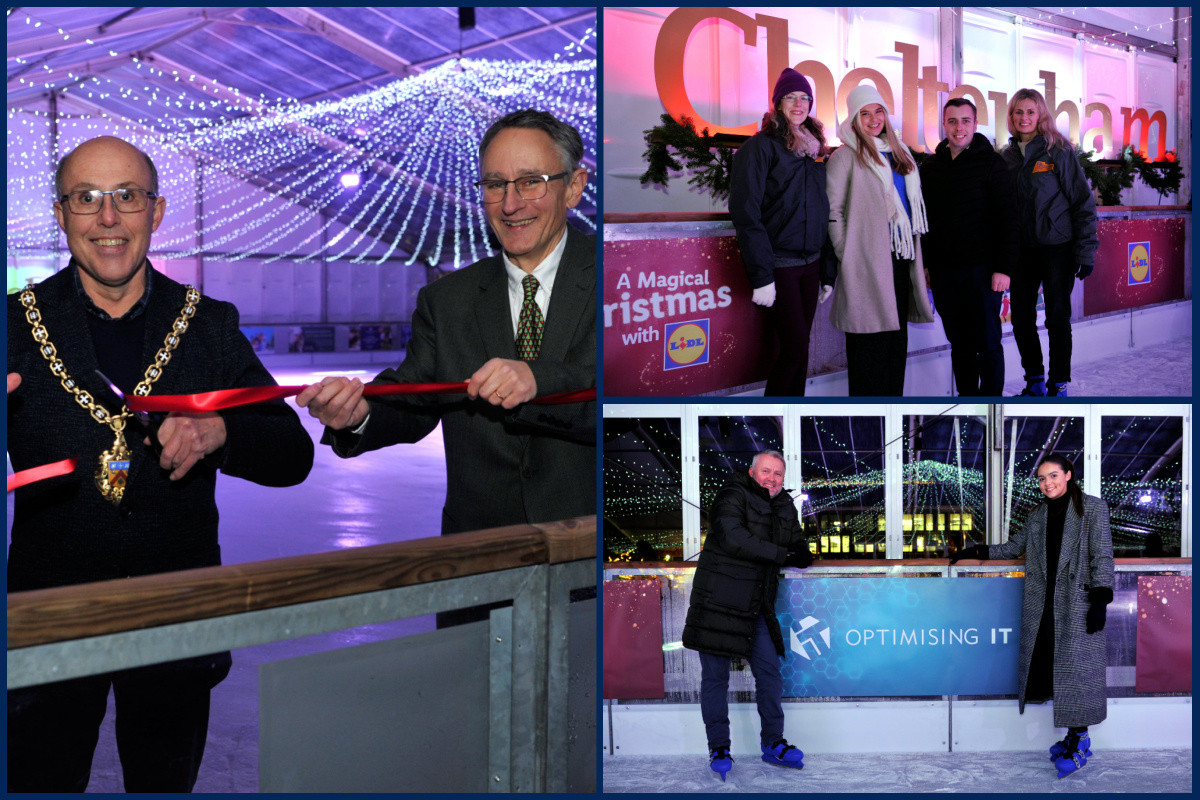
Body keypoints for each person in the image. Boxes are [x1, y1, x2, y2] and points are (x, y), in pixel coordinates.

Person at [6, 136, 314, 792]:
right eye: (87, 198)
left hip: (178, 612)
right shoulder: (12, 325)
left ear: (157, 211)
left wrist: (220, 433)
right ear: (60, 215)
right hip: (49, 619)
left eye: (128, 197)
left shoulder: (206, 325)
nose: (109, 217)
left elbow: (292, 455)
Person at [296, 109, 595, 622]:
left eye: (531, 182)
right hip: (479, 567)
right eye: (495, 184)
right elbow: (414, 398)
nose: (511, 202)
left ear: (574, 187)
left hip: (592, 558)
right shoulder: (448, 300)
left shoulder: (624, 277)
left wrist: (540, 378)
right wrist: (358, 411)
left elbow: (643, 393)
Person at [952, 454, 1113, 777]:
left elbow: (1102, 555)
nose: (1047, 483)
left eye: (1053, 476)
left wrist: (1100, 599)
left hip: (1076, 603)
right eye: (1041, 479)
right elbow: (1014, 547)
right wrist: (979, 551)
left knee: (1076, 674)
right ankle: (1072, 735)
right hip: (1043, 607)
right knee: (1054, 671)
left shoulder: (1093, 509)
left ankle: (1081, 740)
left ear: (1068, 475)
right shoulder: (1038, 514)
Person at [682, 450, 813, 780]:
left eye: (778, 474)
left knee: (769, 673)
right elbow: (733, 538)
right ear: (752, 471)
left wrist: (804, 552)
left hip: (756, 606)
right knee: (715, 679)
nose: (772, 478)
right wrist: (783, 554)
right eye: (766, 471)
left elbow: (796, 542)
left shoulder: (784, 505)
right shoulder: (732, 494)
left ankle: (773, 742)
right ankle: (719, 747)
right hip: (718, 603)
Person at [728, 67, 836, 395]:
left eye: (805, 98)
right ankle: (772, 419)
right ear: (778, 103)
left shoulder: (814, 150)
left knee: (801, 351)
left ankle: (794, 415)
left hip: (811, 264)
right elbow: (746, 214)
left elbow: (823, 212)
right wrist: (762, 276)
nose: (800, 104)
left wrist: (827, 273)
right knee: (794, 350)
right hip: (780, 266)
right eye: (791, 97)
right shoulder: (759, 148)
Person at [825, 84, 935, 396]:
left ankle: (892, 415)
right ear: (854, 119)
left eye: (878, 111)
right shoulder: (845, 156)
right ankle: (867, 423)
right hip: (865, 264)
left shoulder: (900, 153)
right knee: (867, 348)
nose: (873, 118)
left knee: (894, 346)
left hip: (900, 260)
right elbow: (833, 210)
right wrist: (848, 253)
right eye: (865, 113)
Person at [919, 98, 1019, 396]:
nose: (958, 127)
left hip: (983, 271)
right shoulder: (931, 167)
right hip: (944, 273)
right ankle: (966, 401)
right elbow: (926, 221)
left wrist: (1004, 267)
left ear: (975, 125)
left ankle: (990, 406)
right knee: (959, 343)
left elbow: (1008, 218)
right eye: (952, 121)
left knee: (987, 342)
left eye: (965, 121)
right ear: (944, 125)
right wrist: (926, 265)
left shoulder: (992, 164)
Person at [1002, 88, 1098, 397]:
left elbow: (1083, 201)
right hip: (1024, 250)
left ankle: (1059, 382)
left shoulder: (1058, 150)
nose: (1024, 118)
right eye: (1019, 112)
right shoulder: (1007, 156)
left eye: (1030, 112)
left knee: (1057, 317)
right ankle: (1035, 380)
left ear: (1041, 115)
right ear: (1012, 116)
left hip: (1058, 247)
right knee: (1022, 318)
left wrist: (1085, 250)